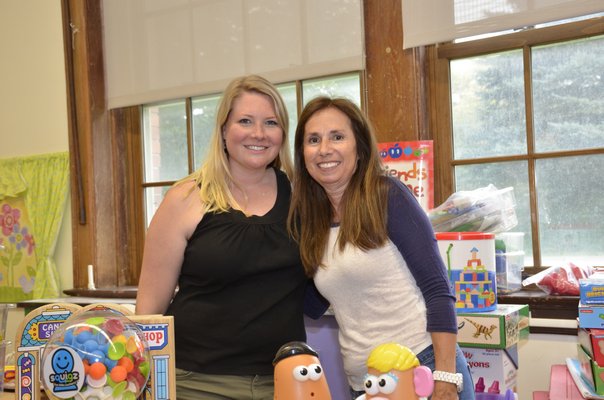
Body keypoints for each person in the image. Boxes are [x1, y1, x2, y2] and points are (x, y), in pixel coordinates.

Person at [288, 96, 475, 400]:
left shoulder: (387, 196)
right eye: (313, 140)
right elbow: (313, 302)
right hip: (363, 383)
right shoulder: (311, 220)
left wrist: (445, 378)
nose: (324, 149)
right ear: (302, 153)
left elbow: (437, 289)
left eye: (337, 136)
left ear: (359, 147)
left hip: (421, 369)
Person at [136, 75, 308, 400]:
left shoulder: (302, 196)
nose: (258, 133)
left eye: (270, 122)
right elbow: (149, 309)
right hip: (194, 382)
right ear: (224, 129)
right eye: (245, 121)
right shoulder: (185, 198)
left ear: (282, 133)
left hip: (285, 380)